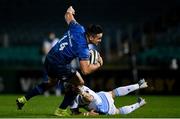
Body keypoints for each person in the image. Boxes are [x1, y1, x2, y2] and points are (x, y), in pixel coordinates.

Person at [16, 6, 103, 116]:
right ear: (91, 37)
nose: (100, 41)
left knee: (50, 83)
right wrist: (98, 64)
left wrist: (70, 10)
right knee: (79, 82)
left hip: (49, 58)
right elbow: (85, 70)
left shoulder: (78, 28)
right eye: (98, 38)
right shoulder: (83, 49)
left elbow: (68, 15)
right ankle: (61, 110)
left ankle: (23, 99)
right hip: (59, 64)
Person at [69, 79, 148, 116]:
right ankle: (139, 86)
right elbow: (75, 113)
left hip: (102, 104)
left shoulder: (77, 94)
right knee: (113, 94)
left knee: (117, 110)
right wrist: (88, 114)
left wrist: (87, 114)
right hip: (101, 103)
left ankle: (140, 103)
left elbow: (89, 98)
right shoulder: (79, 91)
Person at [42, 32, 61, 96]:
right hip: (47, 62)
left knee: (57, 76)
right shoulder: (46, 42)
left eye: (52, 34)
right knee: (46, 77)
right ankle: (46, 91)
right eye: (50, 35)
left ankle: (58, 90)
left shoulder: (57, 40)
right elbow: (45, 51)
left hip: (55, 62)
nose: (51, 36)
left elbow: (58, 51)